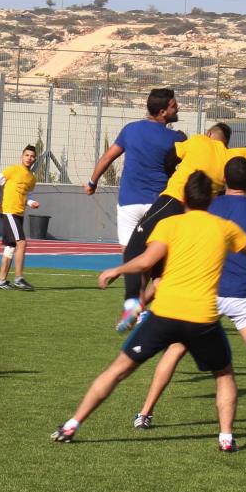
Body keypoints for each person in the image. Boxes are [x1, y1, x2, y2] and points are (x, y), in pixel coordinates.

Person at [50, 172, 246, 452]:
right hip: (202, 318)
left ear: (184, 198)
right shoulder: (224, 228)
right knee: (223, 375)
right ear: (212, 199)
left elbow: (146, 261)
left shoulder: (169, 224)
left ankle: (72, 424)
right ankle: (225, 438)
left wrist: (118, 269)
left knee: (117, 371)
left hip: (165, 313)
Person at [131, 157, 246, 441]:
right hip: (243, 295)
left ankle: (145, 413)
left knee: (175, 350)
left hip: (206, 293)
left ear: (224, 181)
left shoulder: (209, 206)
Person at [111, 79, 246, 334]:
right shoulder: (234, 155)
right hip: (200, 216)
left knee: (135, 249)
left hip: (173, 200)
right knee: (167, 268)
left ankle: (133, 302)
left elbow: (169, 158)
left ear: (209, 134)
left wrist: (171, 175)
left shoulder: (197, 141)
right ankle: (147, 309)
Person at [84, 88, 185, 319]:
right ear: (162, 112)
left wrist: (92, 181)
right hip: (159, 205)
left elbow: (108, 157)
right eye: (173, 106)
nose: (177, 108)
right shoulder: (176, 139)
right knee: (158, 264)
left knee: (132, 259)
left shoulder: (130, 130)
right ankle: (146, 309)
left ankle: (135, 312)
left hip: (129, 204)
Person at [0, 145, 42, 291]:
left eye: (32, 156)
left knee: (10, 247)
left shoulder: (32, 178)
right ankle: (19, 279)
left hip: (19, 214)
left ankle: (1, 281)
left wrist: (31, 202)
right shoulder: (12, 170)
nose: (29, 158)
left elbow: (27, 195)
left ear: (35, 159)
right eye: (27, 155)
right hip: (9, 212)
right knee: (22, 243)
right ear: (22, 156)